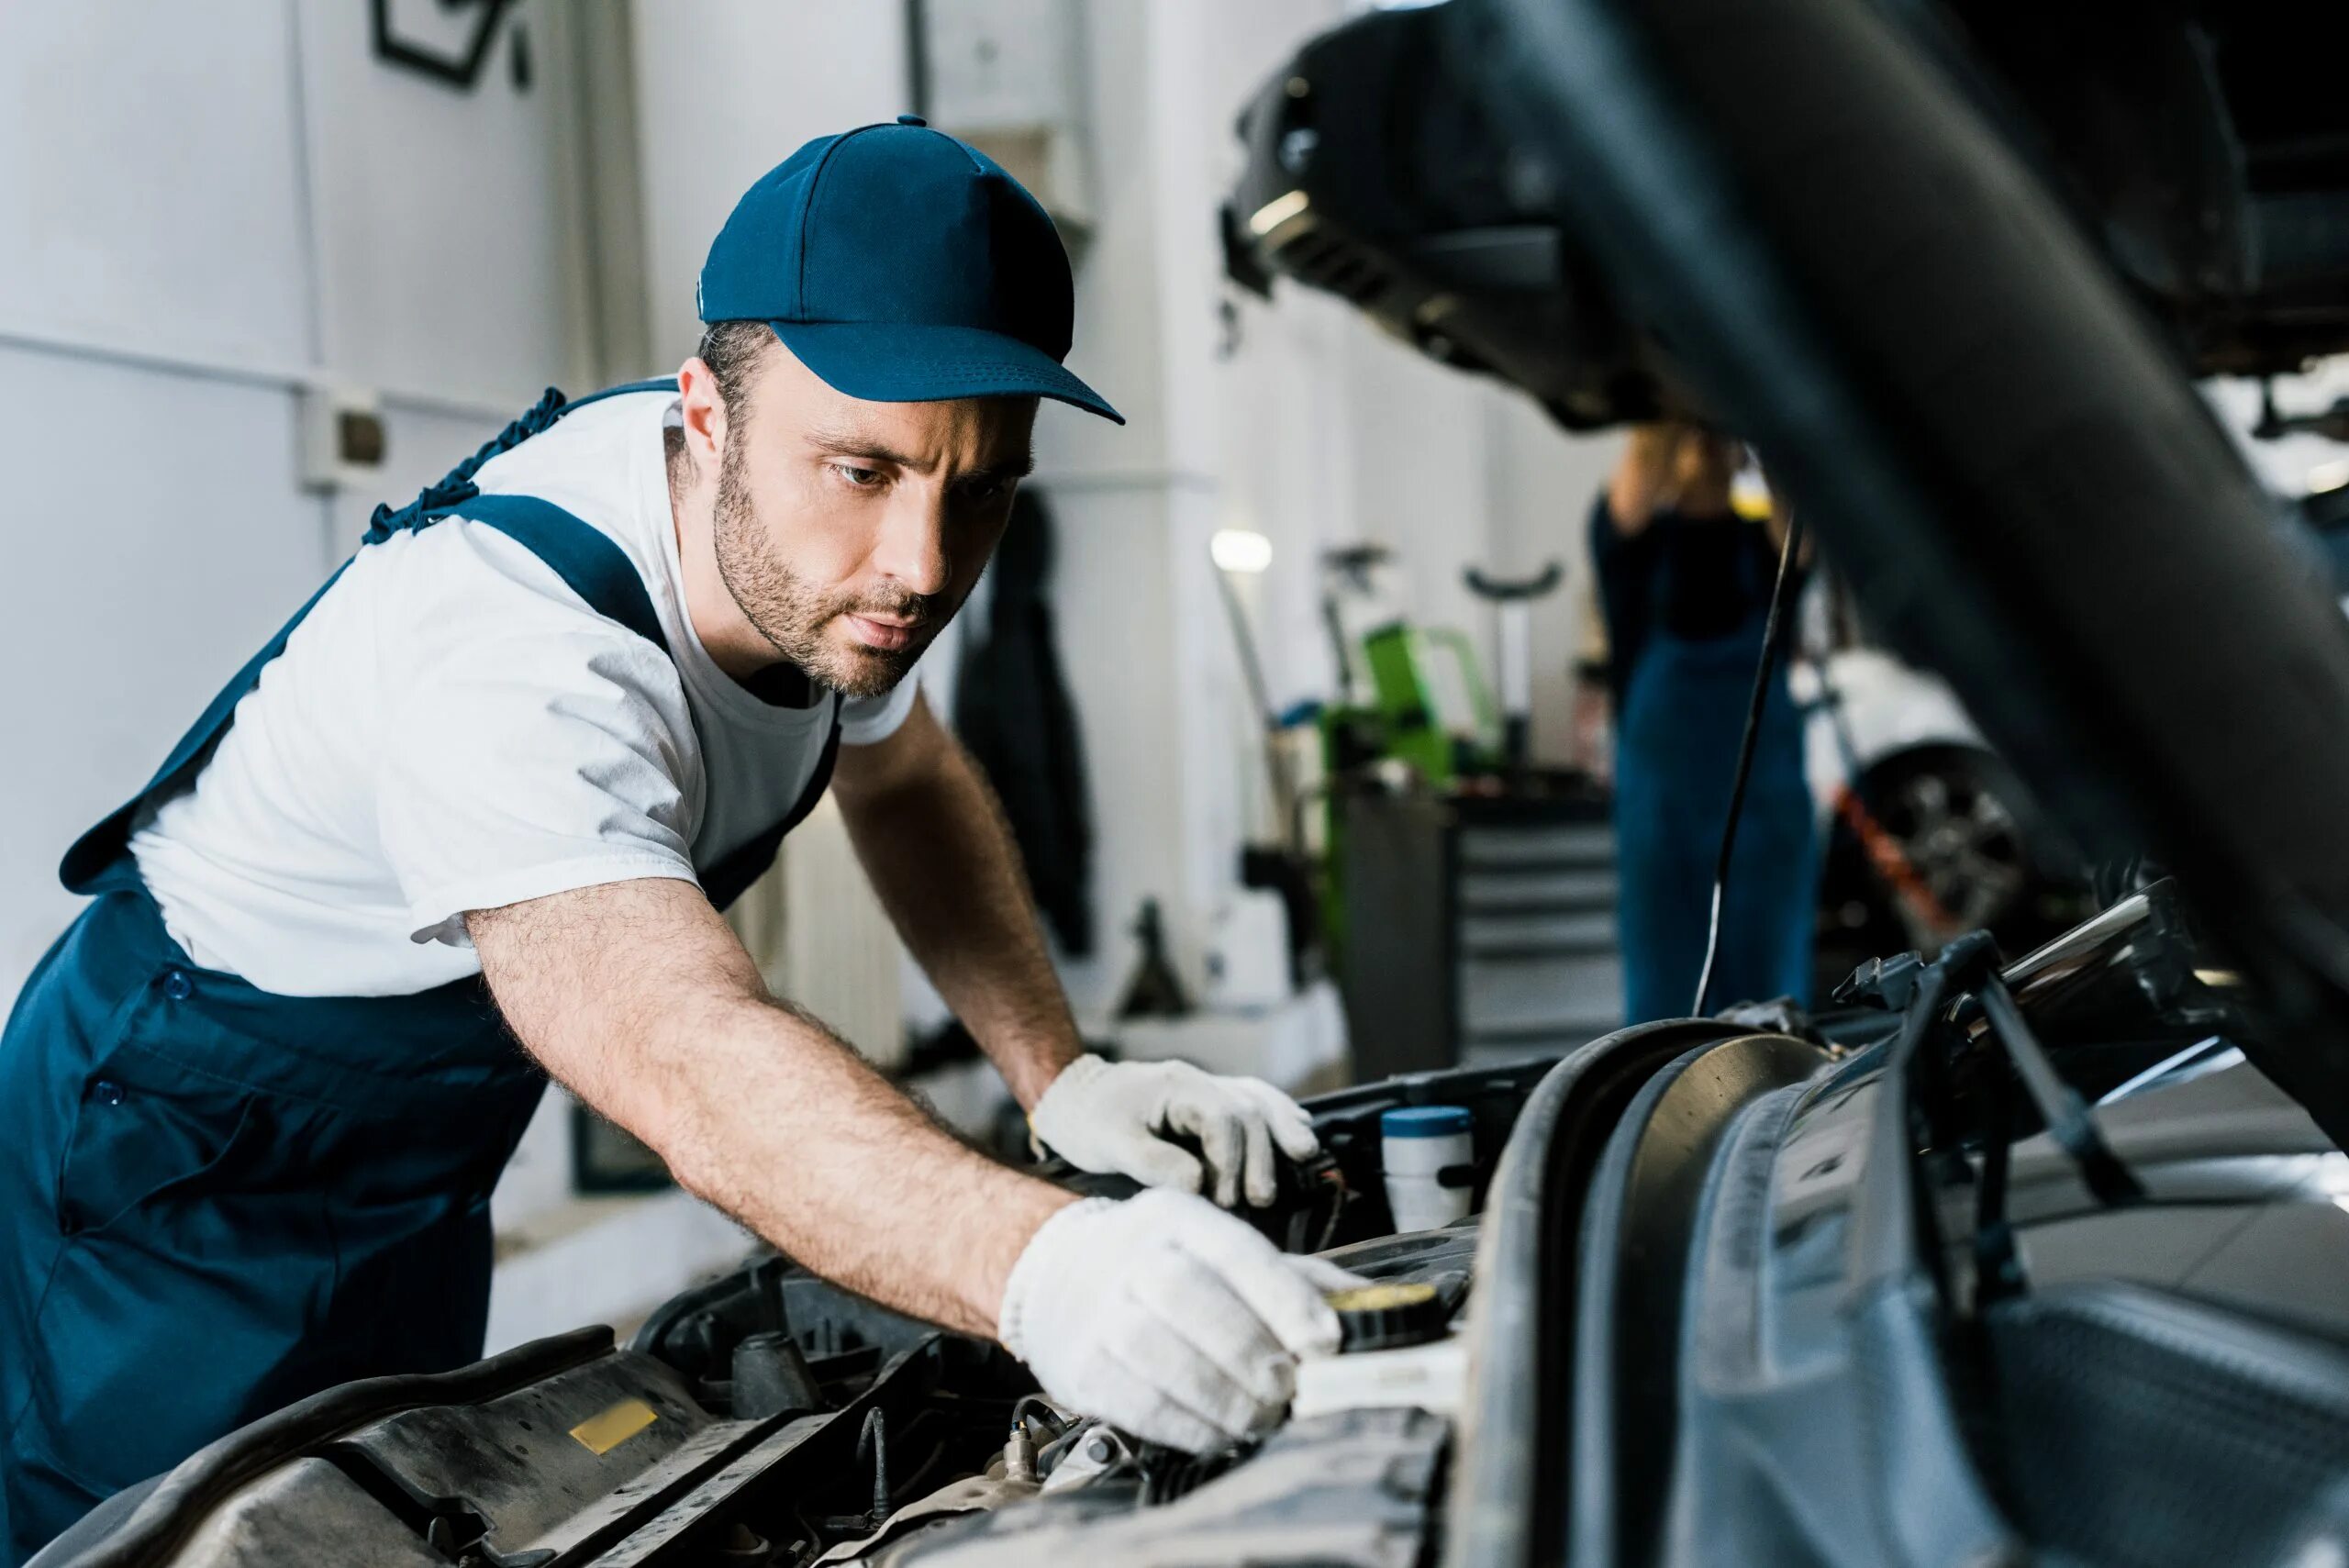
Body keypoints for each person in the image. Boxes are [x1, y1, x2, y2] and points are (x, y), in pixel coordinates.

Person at [0, 119, 1353, 1562]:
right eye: (866, 472)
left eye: (982, 487)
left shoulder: (818, 560)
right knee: (147, 1542)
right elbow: (674, 1042)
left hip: (422, 1160)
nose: (921, 564)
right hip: (180, 1149)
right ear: (703, 416)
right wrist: (1044, 1267)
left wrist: (1056, 1072)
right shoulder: (523, 662)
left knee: (375, 1525)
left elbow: (903, 776)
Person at [1589, 422, 1818, 1023]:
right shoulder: (1633, 548)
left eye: (1713, 438)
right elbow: (1640, 462)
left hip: (1764, 812)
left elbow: (1802, 522)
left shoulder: (1768, 540)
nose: (1705, 448)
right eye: (1690, 441)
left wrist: (1752, 414)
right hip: (1663, 813)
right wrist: (1675, 403)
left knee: (1771, 990)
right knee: (1666, 989)